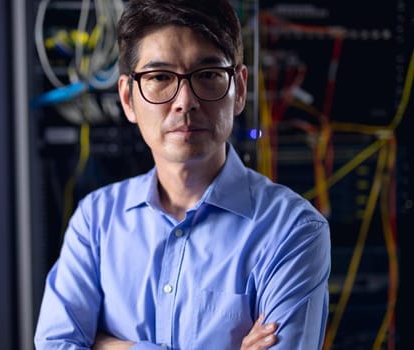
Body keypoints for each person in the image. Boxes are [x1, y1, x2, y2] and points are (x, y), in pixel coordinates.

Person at [34, 0, 331, 349]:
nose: (185, 101)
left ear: (240, 90)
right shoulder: (96, 221)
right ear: (128, 98)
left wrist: (106, 344)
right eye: (160, 77)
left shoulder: (292, 231)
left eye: (207, 76)